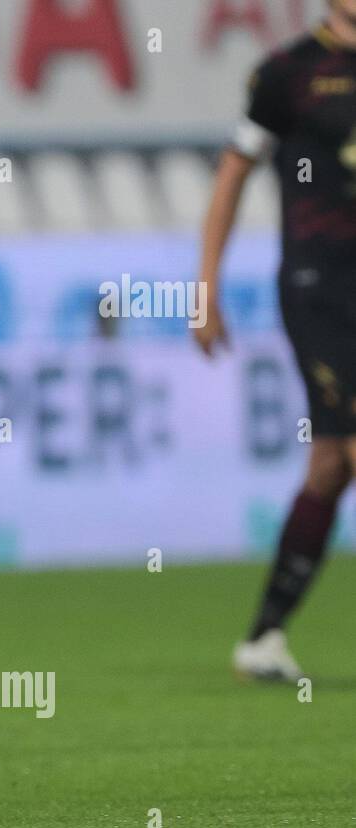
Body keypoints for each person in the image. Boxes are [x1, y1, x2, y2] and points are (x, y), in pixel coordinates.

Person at [196, 0, 356, 681]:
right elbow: (234, 171)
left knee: (330, 464)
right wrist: (206, 286)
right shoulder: (288, 73)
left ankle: (262, 638)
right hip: (321, 285)